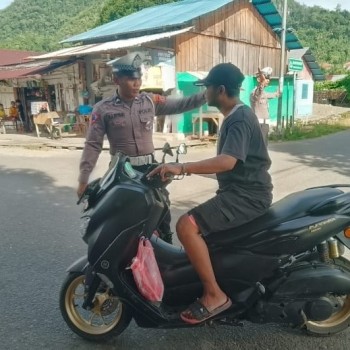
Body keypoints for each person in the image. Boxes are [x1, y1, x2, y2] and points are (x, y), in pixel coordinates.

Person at [148, 63, 273, 324]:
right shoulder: (238, 115)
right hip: (243, 190)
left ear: (221, 90)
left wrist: (182, 166)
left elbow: (227, 162)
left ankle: (214, 294)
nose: (205, 93)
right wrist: (180, 172)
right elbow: (229, 167)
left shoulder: (238, 118)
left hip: (247, 196)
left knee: (186, 226)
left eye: (208, 88)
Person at [77, 52, 207, 244]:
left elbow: (181, 104)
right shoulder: (103, 109)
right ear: (116, 79)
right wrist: (83, 179)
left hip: (150, 169)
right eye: (130, 79)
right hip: (121, 172)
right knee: (122, 219)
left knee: (161, 212)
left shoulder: (150, 101)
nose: (136, 84)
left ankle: (164, 253)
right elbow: (93, 145)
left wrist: (207, 95)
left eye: (138, 79)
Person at [250, 67, 280, 144]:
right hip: (258, 125)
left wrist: (277, 93)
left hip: (265, 125)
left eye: (268, 78)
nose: (268, 80)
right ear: (258, 80)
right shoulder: (254, 93)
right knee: (258, 147)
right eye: (266, 78)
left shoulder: (264, 94)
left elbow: (272, 95)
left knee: (264, 147)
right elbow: (257, 95)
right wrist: (261, 84)